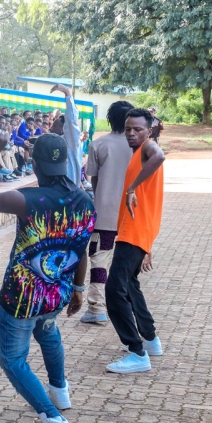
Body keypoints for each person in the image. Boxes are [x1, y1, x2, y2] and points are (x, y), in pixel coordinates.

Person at [0, 132, 94, 423]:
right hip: (57, 293)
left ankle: (54, 420)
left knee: (12, 360)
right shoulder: (85, 201)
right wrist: (78, 287)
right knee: (48, 333)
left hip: (22, 297)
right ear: (65, 162)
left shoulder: (25, 200)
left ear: (34, 164)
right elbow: (81, 248)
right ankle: (60, 391)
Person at [104, 108, 166, 374]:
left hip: (135, 231)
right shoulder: (137, 153)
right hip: (137, 230)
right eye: (128, 128)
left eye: (137, 129)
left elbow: (160, 156)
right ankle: (150, 340)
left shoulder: (149, 148)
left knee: (114, 289)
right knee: (129, 285)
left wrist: (131, 189)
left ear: (148, 131)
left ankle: (136, 351)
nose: (131, 133)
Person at [82, 100, 134, 324]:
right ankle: (126, 307)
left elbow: (92, 178)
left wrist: (99, 197)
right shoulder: (140, 145)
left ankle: (96, 308)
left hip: (103, 212)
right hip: (131, 214)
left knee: (99, 258)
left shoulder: (98, 144)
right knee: (128, 261)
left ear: (110, 119)